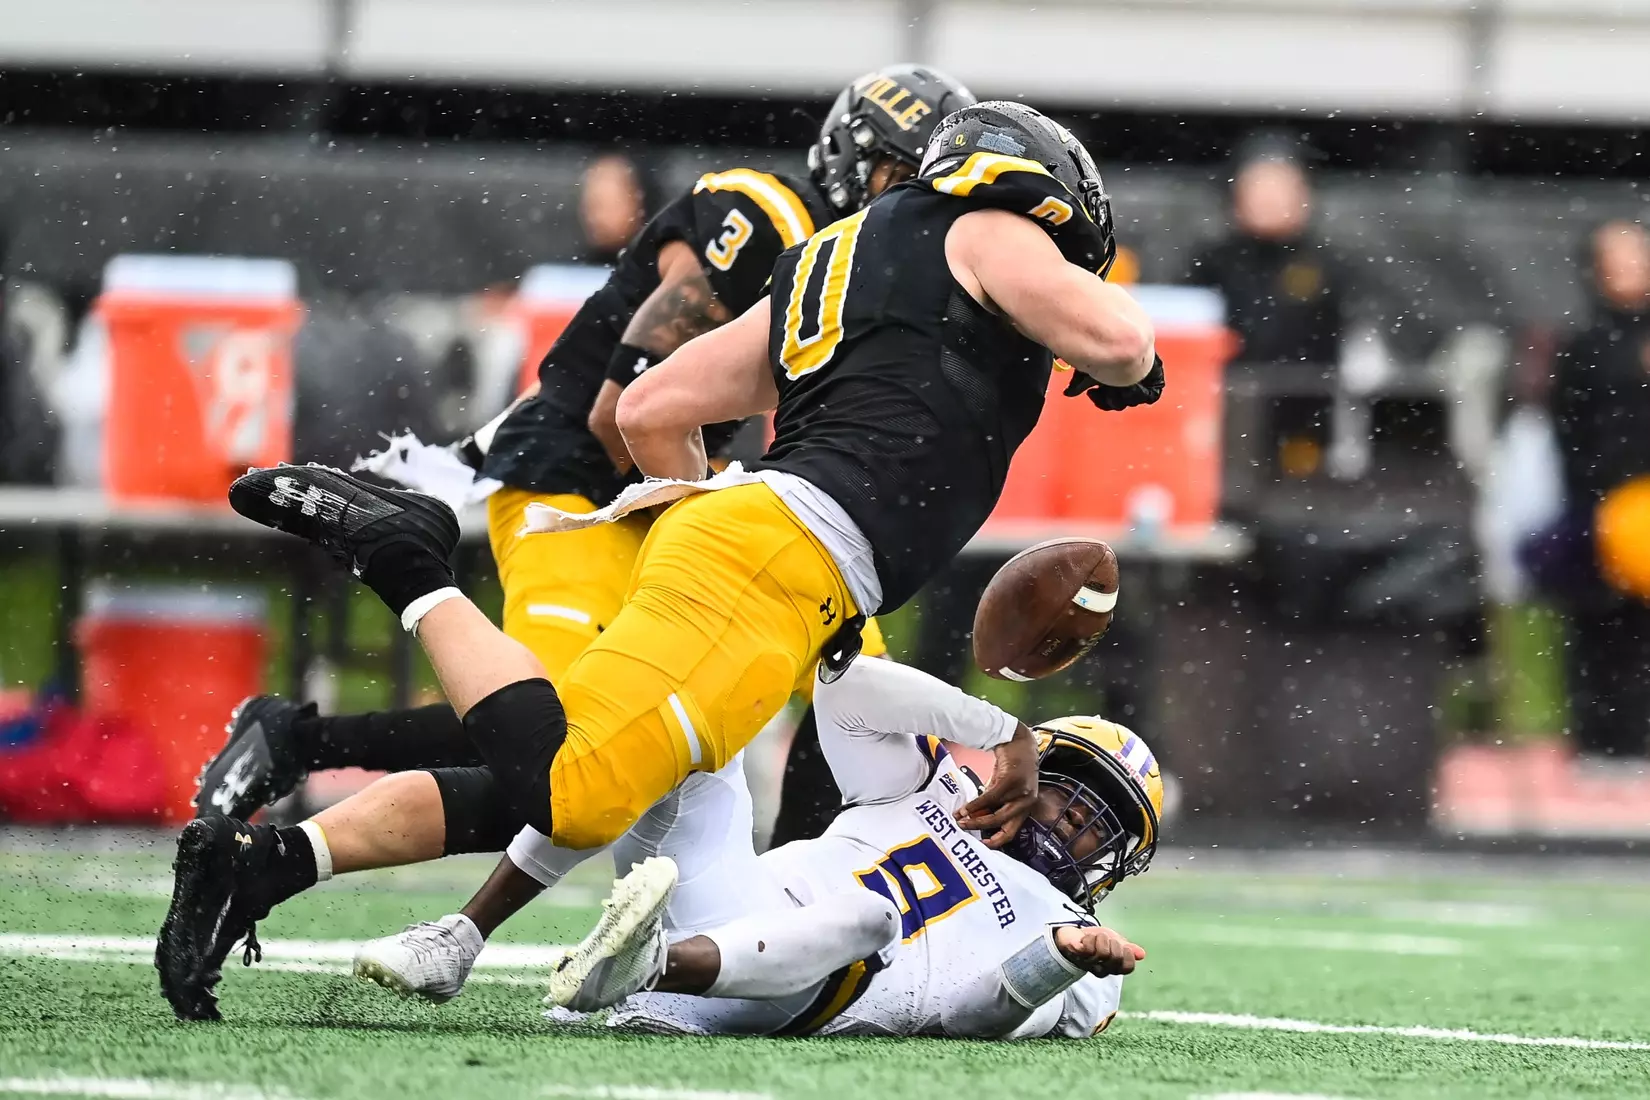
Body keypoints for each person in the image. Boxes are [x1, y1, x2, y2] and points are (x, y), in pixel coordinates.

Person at [162, 100, 1160, 1019]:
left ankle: (271, 865)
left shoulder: (828, 256)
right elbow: (1121, 341)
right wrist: (1134, 366)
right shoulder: (985, 228)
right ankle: (406, 562)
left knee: (602, 771)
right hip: (782, 554)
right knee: (573, 787)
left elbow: (650, 407)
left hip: (765, 546)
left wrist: (705, 521)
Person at [440, 658, 1159, 1038]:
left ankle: (644, 966)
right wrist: (999, 726)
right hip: (723, 904)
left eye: (1105, 825)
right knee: (682, 723)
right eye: (1075, 794)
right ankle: (463, 932)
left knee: (872, 917)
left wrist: (1057, 957)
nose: (1079, 823)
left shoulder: (1073, 938)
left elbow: (972, 1019)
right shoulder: (940, 786)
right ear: (1034, 773)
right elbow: (843, 686)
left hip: (788, 997)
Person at [1549, 219, 1650, 760]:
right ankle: (1602, 737)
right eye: (1619, 256)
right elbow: (1570, 430)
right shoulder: (1584, 345)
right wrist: (1592, 501)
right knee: (1602, 623)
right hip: (1605, 505)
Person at [1185, 144, 1351, 369]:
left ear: (1304, 196)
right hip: (1228, 382)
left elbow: (1358, 340)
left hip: (1310, 384)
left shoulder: (1331, 265)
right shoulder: (1211, 263)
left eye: (1280, 189)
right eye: (1257, 188)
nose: (1269, 200)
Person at [578, 152, 649, 267]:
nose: (597, 218)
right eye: (590, 206)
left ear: (636, 202)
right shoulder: (572, 270)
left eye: (606, 206)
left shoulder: (661, 268)